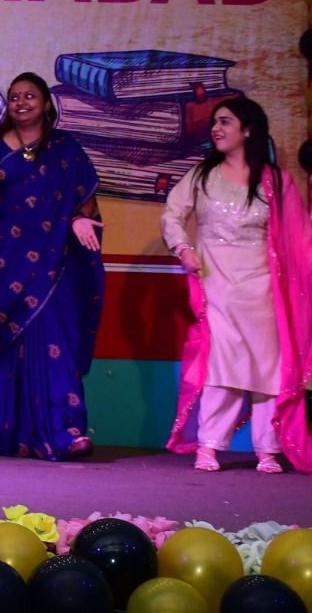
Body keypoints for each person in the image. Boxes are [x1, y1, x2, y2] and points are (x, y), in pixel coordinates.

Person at [0, 72, 104, 460]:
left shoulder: (66, 148)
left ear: (46, 103)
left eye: (29, 96)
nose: (20, 102)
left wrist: (81, 219)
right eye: (14, 97)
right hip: (7, 258)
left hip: (57, 261)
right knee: (7, 339)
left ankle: (66, 431)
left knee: (59, 341)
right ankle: (2, 431)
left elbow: (85, 197)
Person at [161, 97, 312, 474]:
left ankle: (267, 449)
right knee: (221, 363)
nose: (216, 128)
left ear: (247, 129)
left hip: (263, 287)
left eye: (225, 121)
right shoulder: (201, 175)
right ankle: (209, 445)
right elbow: (172, 214)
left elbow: (301, 238)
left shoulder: (276, 180)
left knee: (267, 367)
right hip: (216, 282)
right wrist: (183, 248)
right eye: (214, 122)